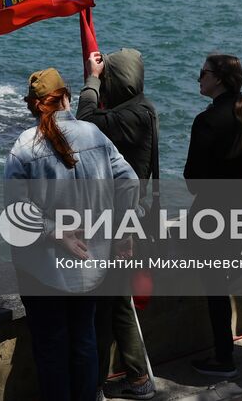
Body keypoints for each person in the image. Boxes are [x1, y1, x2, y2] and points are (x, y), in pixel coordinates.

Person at [4, 68, 140, 401]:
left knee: (51, 349)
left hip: (42, 271)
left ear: (33, 106)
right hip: (91, 264)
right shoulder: (94, 134)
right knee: (84, 341)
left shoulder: (24, 147)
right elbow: (130, 182)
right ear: (65, 97)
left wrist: (54, 232)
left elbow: (11, 214)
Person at [78, 48, 157, 400]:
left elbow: (84, 122)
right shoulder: (142, 108)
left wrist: (91, 81)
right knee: (117, 302)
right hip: (127, 215)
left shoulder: (132, 115)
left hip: (119, 220)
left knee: (108, 305)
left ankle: (111, 382)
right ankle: (135, 377)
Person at [182, 52, 242, 381]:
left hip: (211, 215)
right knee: (223, 282)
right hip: (241, 208)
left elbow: (191, 179)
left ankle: (224, 358)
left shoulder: (207, 121)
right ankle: (225, 350)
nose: (199, 78)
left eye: (203, 73)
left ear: (218, 79)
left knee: (214, 287)